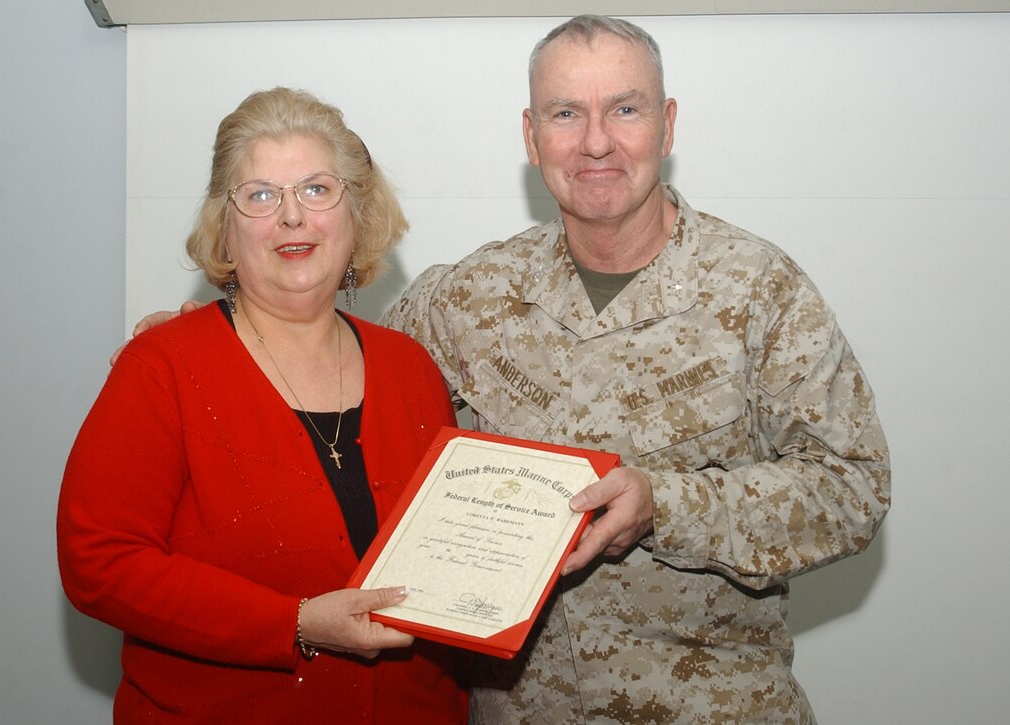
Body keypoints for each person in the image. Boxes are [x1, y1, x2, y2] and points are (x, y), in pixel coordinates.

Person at [126, 15, 890, 724]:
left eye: (624, 109)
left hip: (714, 706)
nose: (596, 142)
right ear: (531, 135)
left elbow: (855, 486)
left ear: (668, 123)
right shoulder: (466, 298)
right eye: (565, 114)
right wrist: (216, 338)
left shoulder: (758, 289)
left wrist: (668, 504)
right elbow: (326, 364)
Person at [58, 87, 467, 723]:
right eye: (260, 196)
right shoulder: (160, 366)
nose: (292, 217)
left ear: (356, 211)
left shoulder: (410, 366)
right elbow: (99, 563)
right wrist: (294, 623)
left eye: (315, 189)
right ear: (225, 224)